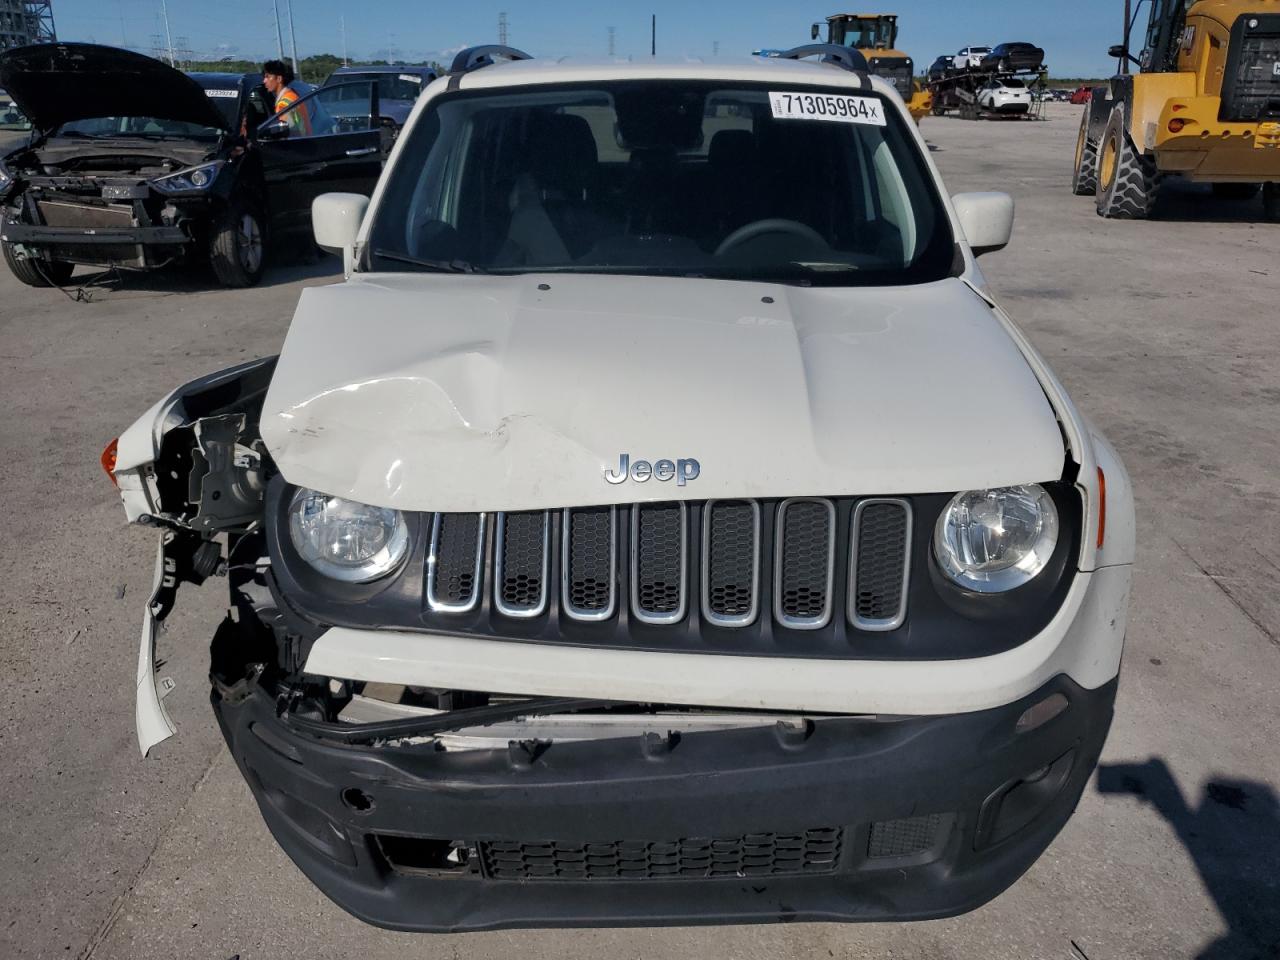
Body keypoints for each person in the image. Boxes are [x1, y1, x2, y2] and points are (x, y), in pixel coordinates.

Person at [262, 59, 312, 136]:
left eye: (268, 77)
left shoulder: (283, 104)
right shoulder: (292, 95)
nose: (264, 81)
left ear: (279, 79)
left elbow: (287, 132)